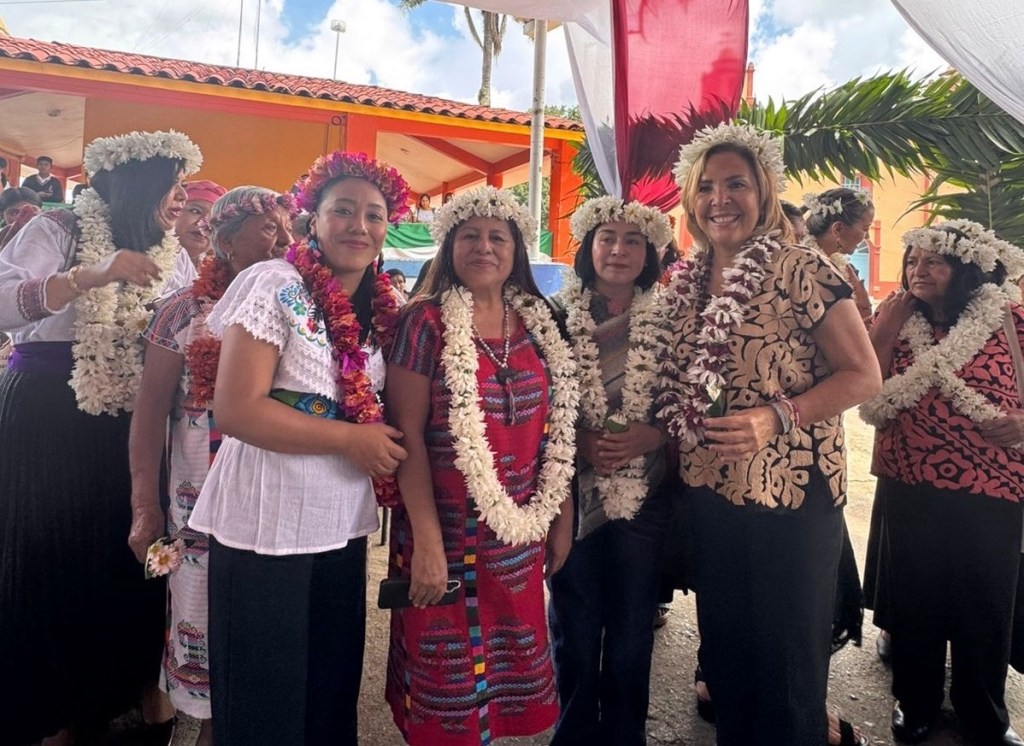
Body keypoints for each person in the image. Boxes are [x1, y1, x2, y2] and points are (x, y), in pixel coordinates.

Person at [659, 122, 881, 746]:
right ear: (690, 198)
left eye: (737, 184)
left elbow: (864, 375)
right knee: (729, 654)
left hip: (792, 496)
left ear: (763, 192)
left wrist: (775, 415)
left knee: (786, 666)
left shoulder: (801, 267)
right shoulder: (685, 279)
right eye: (706, 186)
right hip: (711, 492)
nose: (720, 199)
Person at [187, 152, 409, 745]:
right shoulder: (274, 284)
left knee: (328, 698)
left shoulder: (382, 309)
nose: (359, 226)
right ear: (312, 219)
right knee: (266, 707)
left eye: (374, 214)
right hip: (266, 523)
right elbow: (237, 410)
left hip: (339, 525)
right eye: (342, 210)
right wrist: (349, 438)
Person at [0, 129, 201, 745]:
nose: (181, 198)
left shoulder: (177, 254)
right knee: (52, 557)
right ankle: (52, 717)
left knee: (130, 559)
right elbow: (2, 304)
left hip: (137, 425)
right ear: (141, 185)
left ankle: (132, 704)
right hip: (49, 418)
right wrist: (91, 276)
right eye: (173, 186)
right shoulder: (56, 230)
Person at [384, 186, 579, 746]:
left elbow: (556, 432)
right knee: (446, 697)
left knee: (503, 682)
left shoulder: (540, 319)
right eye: (469, 235)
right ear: (447, 246)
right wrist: (425, 541)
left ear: (517, 250)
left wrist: (559, 517)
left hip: (518, 536)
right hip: (442, 531)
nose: (484, 246)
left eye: (498, 236)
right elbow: (409, 439)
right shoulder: (423, 324)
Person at [127, 186, 293, 745]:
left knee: (263, 638)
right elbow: (149, 415)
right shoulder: (181, 311)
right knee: (200, 631)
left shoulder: (296, 303)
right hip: (196, 515)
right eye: (269, 226)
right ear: (225, 239)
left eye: (288, 224)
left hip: (273, 510)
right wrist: (144, 507)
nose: (285, 238)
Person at [860, 221, 1024, 746]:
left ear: (966, 269)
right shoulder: (898, 316)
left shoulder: (1011, 319)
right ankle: (917, 703)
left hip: (995, 488)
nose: (918, 270)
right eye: (912, 261)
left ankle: (984, 715)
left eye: (934, 261)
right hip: (910, 483)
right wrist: (889, 321)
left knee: (986, 605)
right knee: (915, 601)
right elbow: (865, 386)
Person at [547, 195, 673, 746]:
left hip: (646, 493)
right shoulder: (552, 314)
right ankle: (572, 732)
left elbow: (700, 395)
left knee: (630, 628)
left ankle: (625, 735)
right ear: (587, 246)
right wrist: (573, 443)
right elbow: (533, 398)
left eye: (633, 241)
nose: (618, 250)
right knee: (573, 624)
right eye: (607, 238)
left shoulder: (672, 318)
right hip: (569, 490)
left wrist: (656, 434)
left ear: (649, 253)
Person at [803, 188, 875, 323]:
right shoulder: (810, 267)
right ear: (838, 229)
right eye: (865, 229)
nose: (868, 236)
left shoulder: (841, 267)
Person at [0, 187, 43, 251]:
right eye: (14, 213)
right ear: (2, 215)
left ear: (42, 211)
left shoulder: (55, 238)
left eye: (32, 210)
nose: (23, 217)